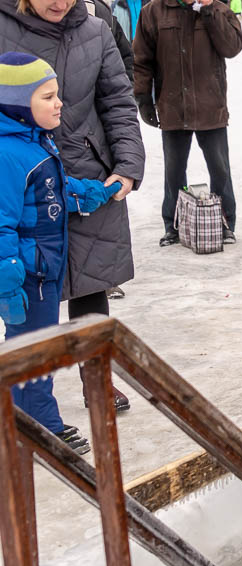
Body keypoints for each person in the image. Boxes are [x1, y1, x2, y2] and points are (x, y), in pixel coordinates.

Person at [1, 0, 146, 413]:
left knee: (92, 284)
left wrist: (128, 166)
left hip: (89, 177)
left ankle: (96, 381)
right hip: (21, 177)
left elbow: (118, 103)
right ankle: (31, 403)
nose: (60, 3)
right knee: (26, 288)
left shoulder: (96, 31)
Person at [0, 52, 121, 453]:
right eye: (47, 97)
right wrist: (10, 283)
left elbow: (58, 191)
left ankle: (24, 422)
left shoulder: (35, 144)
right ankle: (41, 427)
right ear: (18, 105)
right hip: (28, 274)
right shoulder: (8, 155)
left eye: (57, 95)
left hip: (44, 267)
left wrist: (99, 191)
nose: (59, 104)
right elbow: (1, 224)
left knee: (37, 343)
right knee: (35, 348)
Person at [133, 0, 242, 247]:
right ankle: (172, 226)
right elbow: (141, 60)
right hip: (173, 106)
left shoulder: (218, 9)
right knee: (174, 172)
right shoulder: (152, 12)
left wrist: (208, 10)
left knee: (220, 170)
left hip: (210, 106)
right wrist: (143, 99)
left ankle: (226, 222)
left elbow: (233, 47)